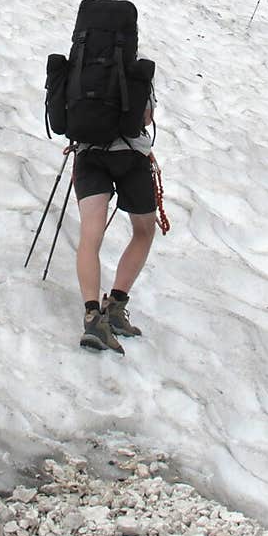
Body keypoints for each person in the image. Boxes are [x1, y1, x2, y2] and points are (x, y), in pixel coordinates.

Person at [73, 72, 158, 355]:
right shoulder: (137, 66)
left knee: (91, 234)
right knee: (144, 231)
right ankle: (116, 306)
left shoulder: (81, 59)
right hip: (131, 156)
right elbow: (145, 117)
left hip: (88, 155)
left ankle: (92, 316)